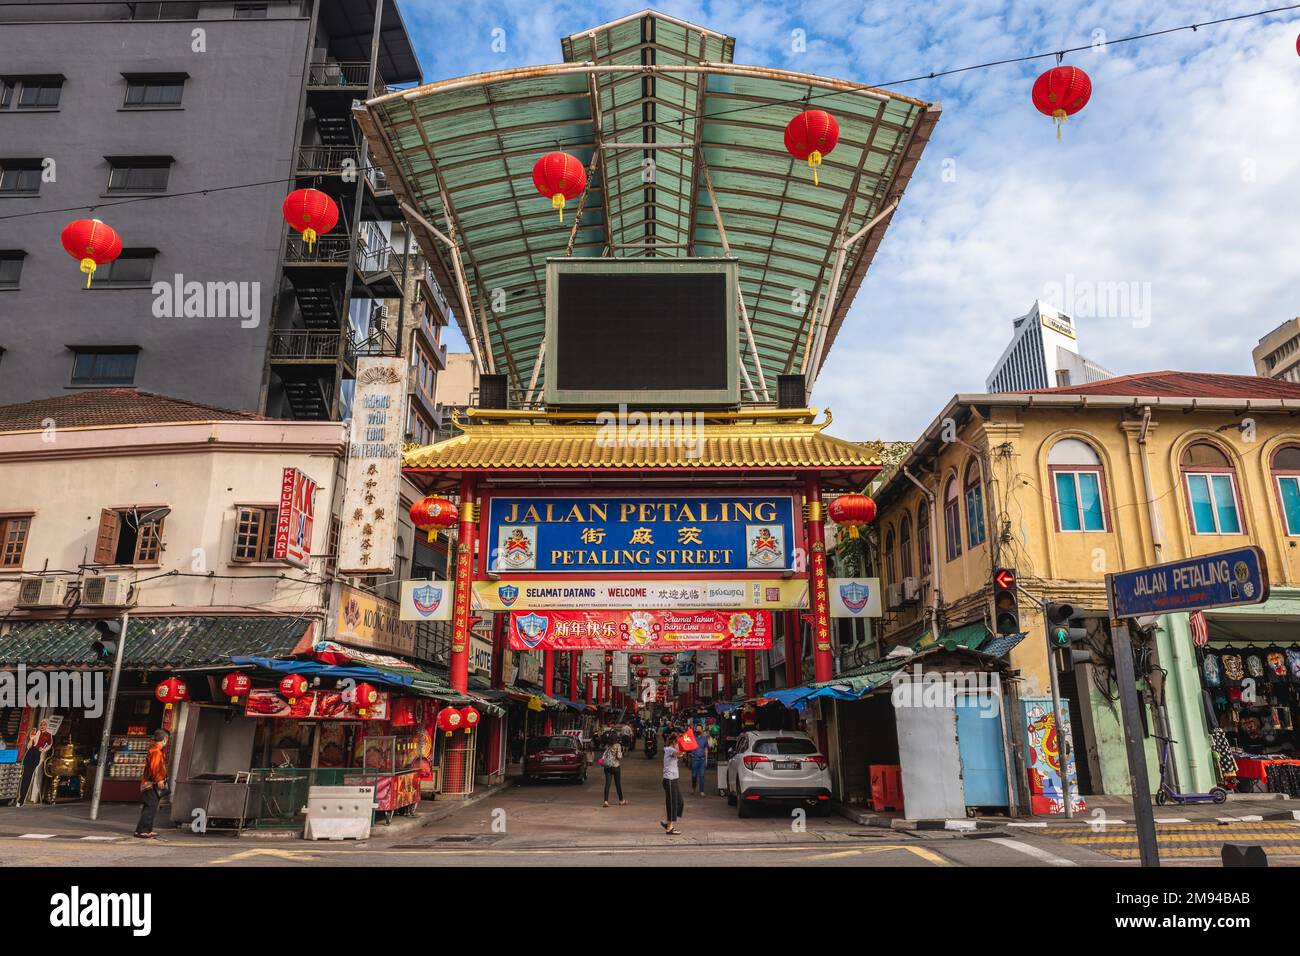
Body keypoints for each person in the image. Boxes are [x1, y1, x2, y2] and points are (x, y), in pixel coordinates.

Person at [134, 729, 169, 838]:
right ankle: (142, 831)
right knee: (150, 807)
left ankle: (146, 829)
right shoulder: (156, 751)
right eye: (167, 739)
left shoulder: (157, 750)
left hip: (151, 782)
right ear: (164, 739)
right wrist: (159, 779)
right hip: (151, 783)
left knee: (151, 807)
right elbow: (155, 767)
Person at [16, 719, 53, 808]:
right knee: (24, 776)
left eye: (44, 724)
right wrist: (31, 739)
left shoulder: (48, 735)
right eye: (41, 724)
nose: (42, 726)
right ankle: (20, 798)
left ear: (47, 726)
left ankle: (21, 800)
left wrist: (44, 750)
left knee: (28, 777)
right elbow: (29, 746)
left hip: (37, 754)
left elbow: (50, 744)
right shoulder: (36, 732)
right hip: (30, 753)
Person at [660, 734, 686, 835]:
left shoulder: (672, 749)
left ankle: (668, 822)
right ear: (674, 742)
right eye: (677, 743)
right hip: (669, 780)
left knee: (680, 802)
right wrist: (684, 749)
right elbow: (679, 754)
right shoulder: (669, 749)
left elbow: (680, 754)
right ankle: (669, 827)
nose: (678, 745)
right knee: (672, 803)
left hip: (674, 780)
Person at [600, 731, 627, 808]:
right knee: (618, 784)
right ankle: (621, 800)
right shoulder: (617, 745)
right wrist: (621, 753)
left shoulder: (607, 745)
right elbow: (619, 757)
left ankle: (606, 801)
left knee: (607, 784)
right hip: (616, 767)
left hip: (607, 767)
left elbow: (604, 755)